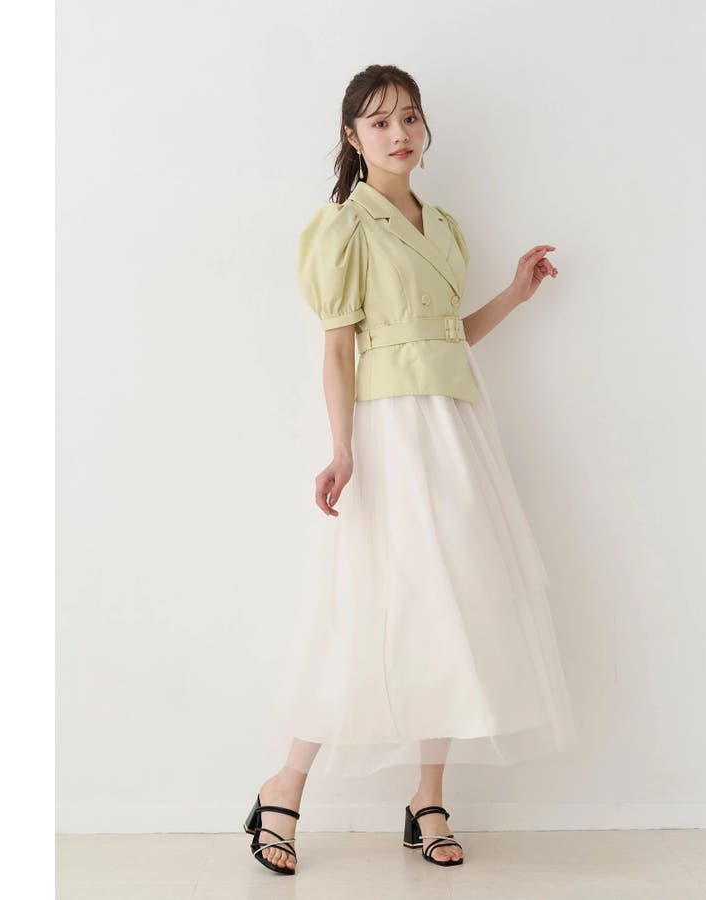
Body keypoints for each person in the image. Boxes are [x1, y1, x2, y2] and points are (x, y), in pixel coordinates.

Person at [244, 64, 577, 876]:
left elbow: (446, 336)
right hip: (390, 427)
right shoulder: (344, 226)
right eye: (381, 121)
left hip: (455, 425)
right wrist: (344, 447)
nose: (399, 134)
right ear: (353, 137)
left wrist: (515, 294)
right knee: (367, 604)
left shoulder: (445, 224)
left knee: (452, 605)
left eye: (410, 118)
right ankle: (284, 786)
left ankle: (428, 797)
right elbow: (338, 347)